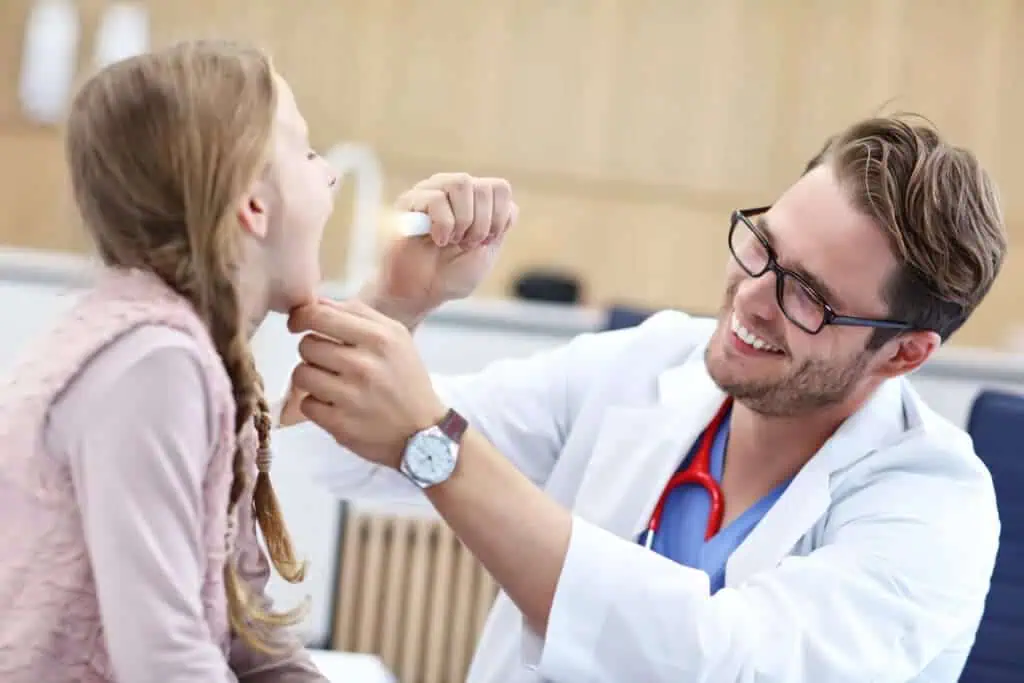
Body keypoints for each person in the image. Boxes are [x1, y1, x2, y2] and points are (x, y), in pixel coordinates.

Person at [279, 115, 1007, 682]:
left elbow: (722, 663)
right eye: (763, 247)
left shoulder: (935, 505)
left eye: (809, 296)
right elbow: (332, 453)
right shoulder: (651, 364)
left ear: (906, 353)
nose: (752, 299)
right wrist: (399, 302)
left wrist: (438, 445)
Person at [0, 40, 337, 682]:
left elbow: (247, 636)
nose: (329, 175)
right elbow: (166, 660)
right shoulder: (154, 366)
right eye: (308, 151)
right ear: (254, 207)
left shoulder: (187, 355)